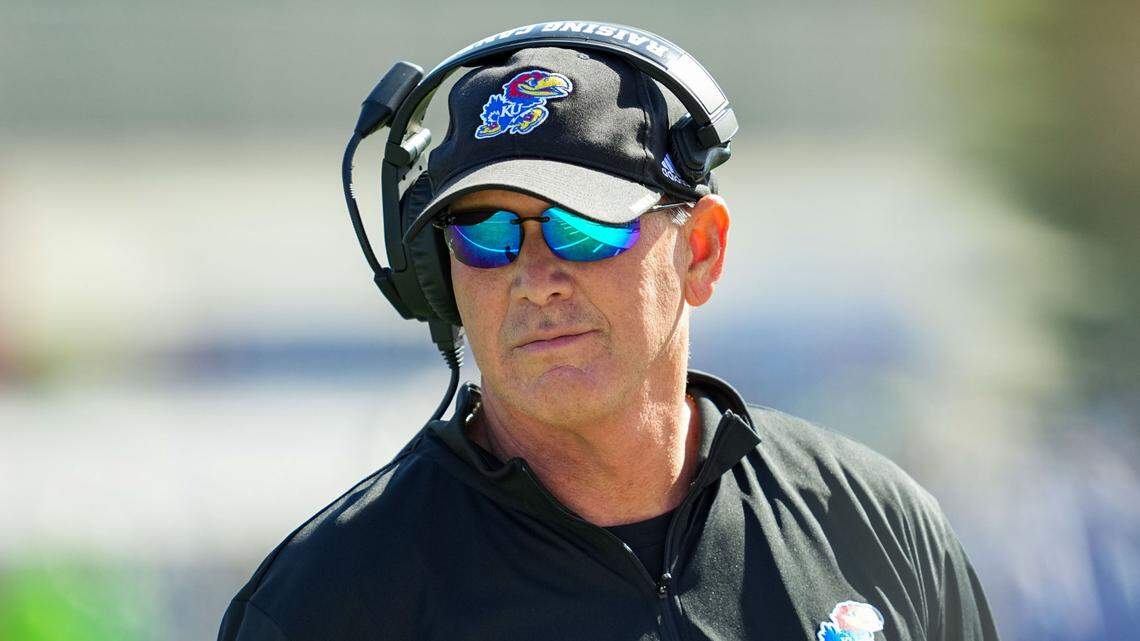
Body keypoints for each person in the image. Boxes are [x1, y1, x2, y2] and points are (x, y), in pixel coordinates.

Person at [218, 38, 1000, 641]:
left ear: (701, 250)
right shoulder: (324, 603)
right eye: (484, 232)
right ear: (437, 274)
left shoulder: (872, 523)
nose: (535, 275)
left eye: (583, 225)